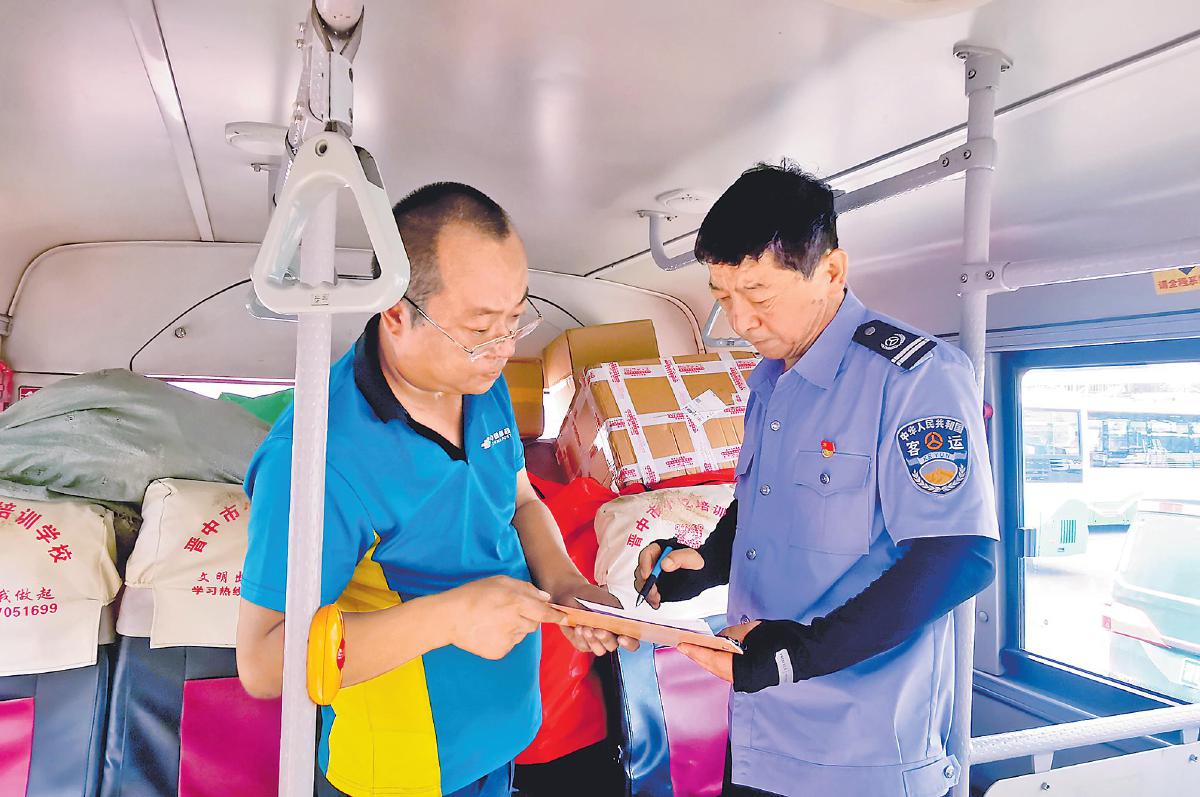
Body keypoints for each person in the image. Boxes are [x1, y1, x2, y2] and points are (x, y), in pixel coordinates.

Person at [236, 182, 634, 797]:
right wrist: (452, 617)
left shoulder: (481, 380)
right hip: (406, 771)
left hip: (502, 742)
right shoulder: (317, 456)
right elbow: (264, 663)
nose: (505, 349)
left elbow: (518, 500)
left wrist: (566, 585)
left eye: (515, 319)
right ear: (395, 312)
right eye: (481, 327)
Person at [636, 163, 998, 797]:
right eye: (722, 296)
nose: (740, 321)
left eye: (760, 295)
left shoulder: (914, 377)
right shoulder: (770, 381)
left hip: (858, 753)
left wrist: (798, 653)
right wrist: (705, 563)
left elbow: (960, 555)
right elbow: (765, 508)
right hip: (759, 732)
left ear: (831, 271)